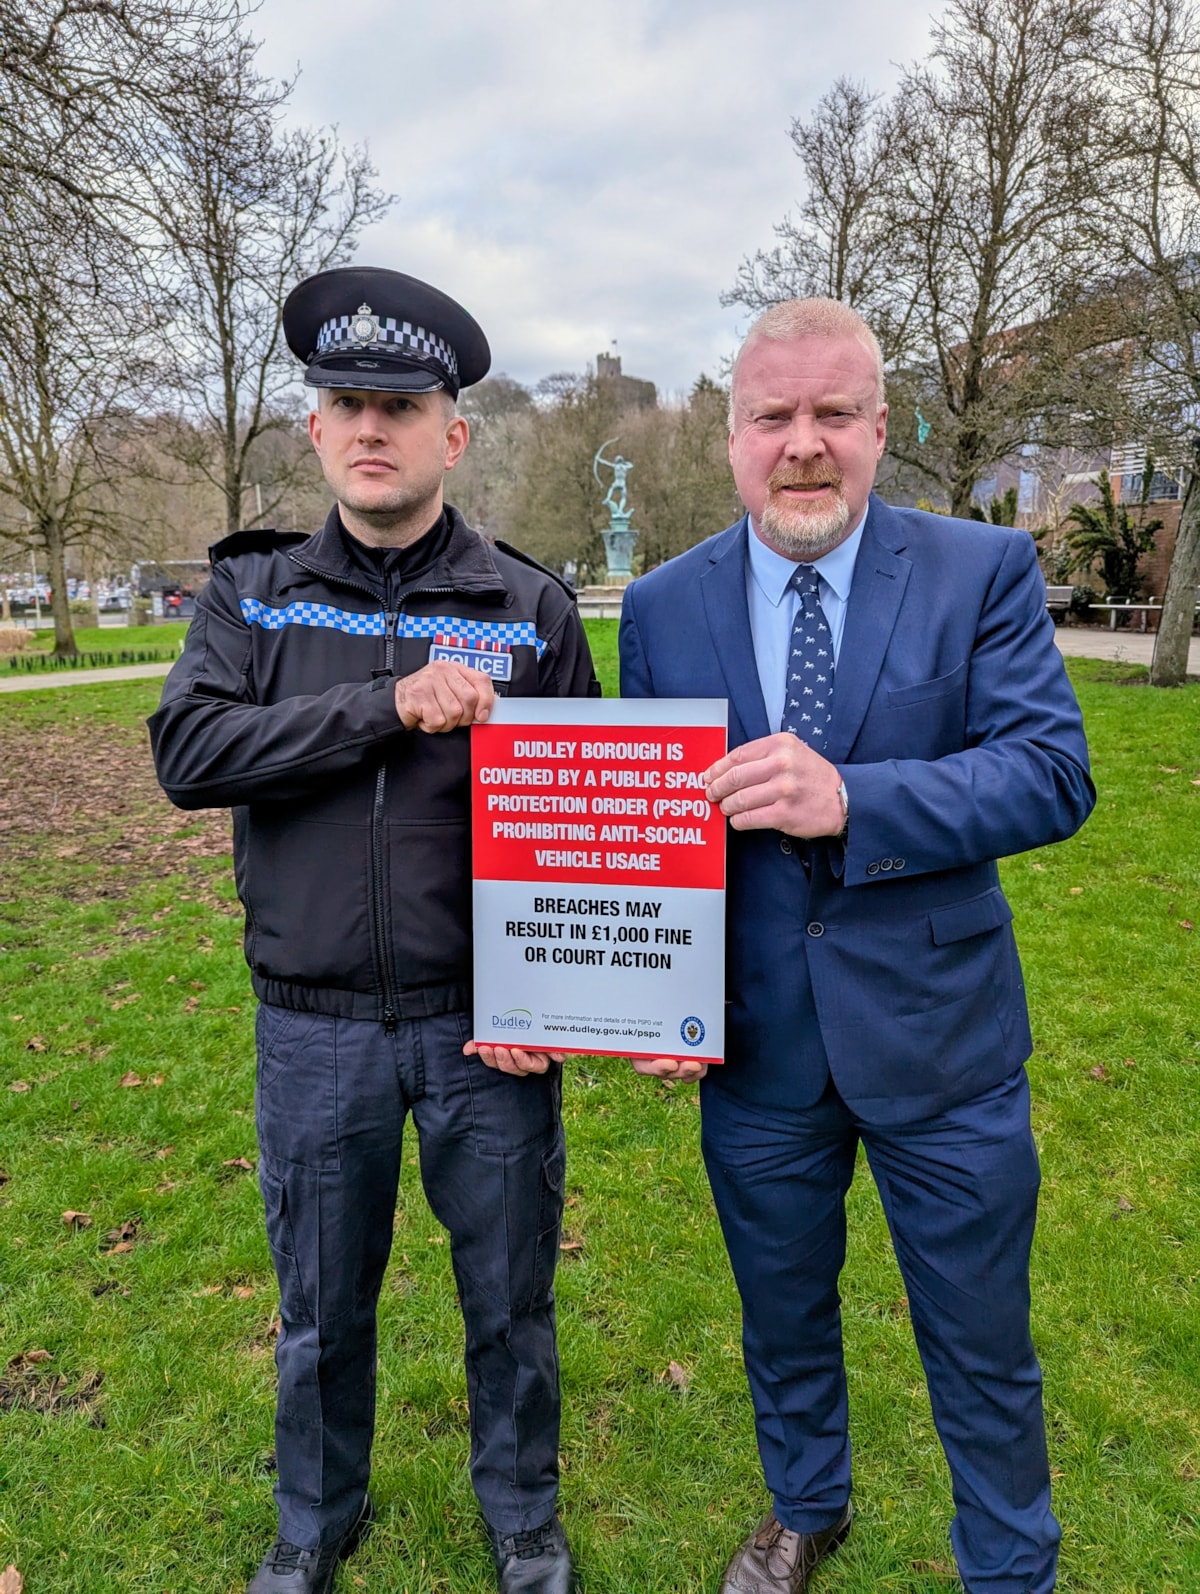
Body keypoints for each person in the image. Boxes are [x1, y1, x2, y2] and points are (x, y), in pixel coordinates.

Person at [618, 298, 1095, 1594]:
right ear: (731, 438)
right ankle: (805, 1505)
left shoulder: (977, 571)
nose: (804, 445)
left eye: (834, 413)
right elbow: (649, 828)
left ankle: (1009, 1564)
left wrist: (858, 800)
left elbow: (1053, 775)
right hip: (757, 1047)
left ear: (884, 428)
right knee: (783, 1321)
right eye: (774, 416)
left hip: (943, 1047)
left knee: (981, 1342)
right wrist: (649, 992)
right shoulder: (663, 607)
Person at [150, 266, 597, 1594]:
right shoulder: (255, 597)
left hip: (486, 1029)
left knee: (511, 1295)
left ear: (452, 434)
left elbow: (588, 819)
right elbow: (189, 749)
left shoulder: (529, 609)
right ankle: (315, 1516)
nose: (372, 426)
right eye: (347, 401)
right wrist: (382, 706)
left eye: (401, 404)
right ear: (314, 429)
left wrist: (551, 1004)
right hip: (315, 1025)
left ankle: (522, 1514)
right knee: (320, 1308)